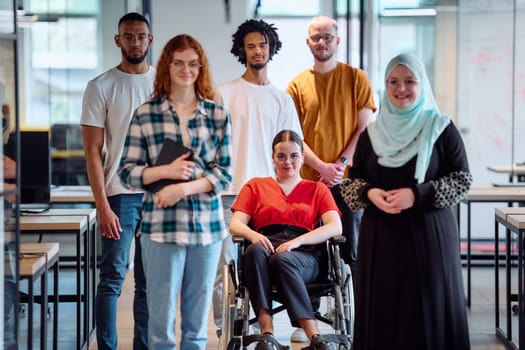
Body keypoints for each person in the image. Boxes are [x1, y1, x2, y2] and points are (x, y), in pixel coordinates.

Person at [339, 53, 472, 349]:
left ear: (421, 84)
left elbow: (462, 180)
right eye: (393, 82)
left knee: (428, 312)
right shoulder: (372, 134)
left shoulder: (441, 128)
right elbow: (351, 181)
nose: (401, 89)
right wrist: (369, 193)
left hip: (429, 239)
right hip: (382, 241)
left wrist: (417, 194)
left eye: (409, 81)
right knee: (385, 312)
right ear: (385, 86)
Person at [118, 34, 232, 349]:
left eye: (193, 64)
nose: (186, 69)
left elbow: (224, 175)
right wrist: (165, 172)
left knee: (196, 331)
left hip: (206, 231)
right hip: (160, 230)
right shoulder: (146, 113)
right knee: (160, 330)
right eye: (179, 62)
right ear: (167, 66)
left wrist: (182, 189)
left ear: (201, 68)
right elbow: (126, 171)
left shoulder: (218, 116)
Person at [212, 19, 309, 340]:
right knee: (223, 268)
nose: (257, 50)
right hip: (229, 193)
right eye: (251, 45)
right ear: (242, 49)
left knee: (262, 263)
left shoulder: (281, 99)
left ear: (272, 48)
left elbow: (295, 149)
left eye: (263, 45)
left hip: (267, 198)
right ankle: (227, 331)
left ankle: (263, 326)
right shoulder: (223, 94)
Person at [230, 130, 342, 350]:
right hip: (265, 246)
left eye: (294, 156)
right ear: (272, 157)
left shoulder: (317, 189)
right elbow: (236, 223)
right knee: (253, 252)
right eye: (281, 156)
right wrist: (254, 235)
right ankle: (267, 334)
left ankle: (315, 335)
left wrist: (297, 242)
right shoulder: (255, 186)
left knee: (282, 260)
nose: (287, 162)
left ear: (302, 157)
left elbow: (335, 226)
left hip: (305, 255)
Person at [80, 12, 154, 350]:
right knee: (112, 279)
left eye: (141, 36)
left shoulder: (165, 85)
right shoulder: (100, 86)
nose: (135, 42)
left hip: (157, 197)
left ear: (149, 40)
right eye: (129, 36)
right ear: (118, 40)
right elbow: (93, 153)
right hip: (120, 195)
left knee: (149, 282)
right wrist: (102, 206)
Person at [287, 16, 376, 279]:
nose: (322, 42)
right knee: (309, 250)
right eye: (316, 37)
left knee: (351, 251)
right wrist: (321, 168)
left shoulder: (356, 78)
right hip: (310, 183)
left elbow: (364, 127)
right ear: (308, 42)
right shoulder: (296, 85)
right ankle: (308, 316)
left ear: (337, 41)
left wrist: (339, 165)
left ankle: (357, 317)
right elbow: (295, 135)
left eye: (327, 37)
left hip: (349, 181)